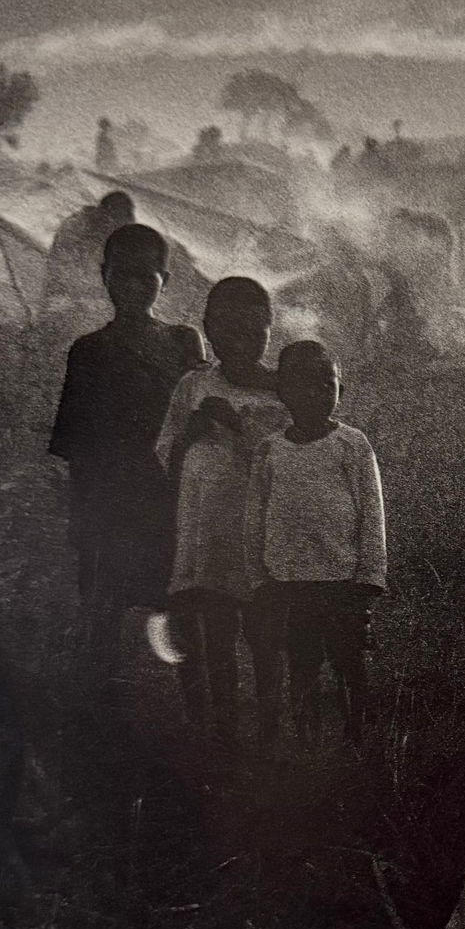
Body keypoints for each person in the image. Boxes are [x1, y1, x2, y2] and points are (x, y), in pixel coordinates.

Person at [49, 223, 206, 694]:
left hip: (167, 495)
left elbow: (199, 424)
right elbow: (75, 443)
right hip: (108, 499)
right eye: (123, 275)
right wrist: (82, 515)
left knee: (178, 605)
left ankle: (195, 709)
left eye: (147, 275)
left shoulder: (183, 342)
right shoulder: (89, 350)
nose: (134, 286)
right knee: (103, 603)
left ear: (165, 280)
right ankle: (100, 707)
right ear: (104, 276)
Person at [155, 278, 287, 748]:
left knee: (263, 628)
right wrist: (195, 425)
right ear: (209, 331)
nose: (241, 343)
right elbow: (166, 451)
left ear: (271, 330)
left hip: (257, 532)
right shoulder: (195, 385)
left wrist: (240, 429)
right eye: (228, 331)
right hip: (205, 529)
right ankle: (222, 722)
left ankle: (270, 720)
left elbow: (293, 461)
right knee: (215, 624)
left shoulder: (282, 390)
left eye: (254, 332)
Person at [246, 342, 387, 745]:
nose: (318, 395)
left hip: (342, 581)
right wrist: (259, 577)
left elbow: (372, 512)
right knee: (303, 662)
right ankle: (306, 738)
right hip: (290, 582)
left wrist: (370, 576)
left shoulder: (353, 445)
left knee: (350, 659)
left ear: (340, 389)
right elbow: (254, 519)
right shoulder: (270, 451)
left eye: (328, 385)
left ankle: (358, 736)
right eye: (305, 385)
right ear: (283, 391)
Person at [43, 191, 136, 314]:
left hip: (69, 298)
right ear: (112, 210)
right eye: (127, 213)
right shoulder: (92, 226)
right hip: (70, 300)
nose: (131, 218)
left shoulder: (88, 222)